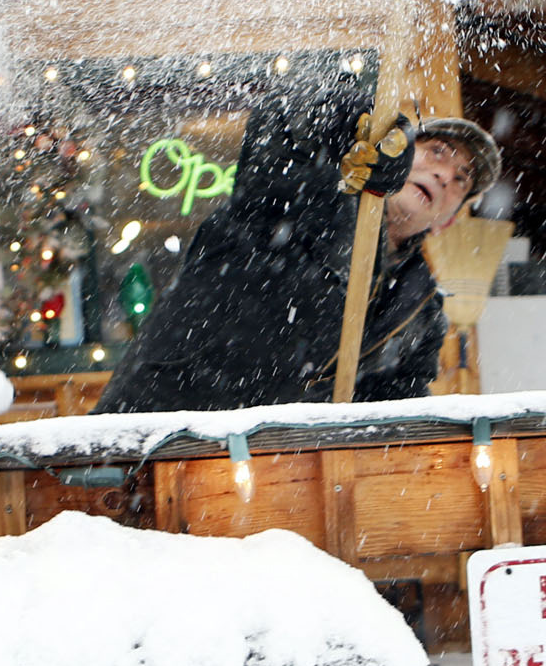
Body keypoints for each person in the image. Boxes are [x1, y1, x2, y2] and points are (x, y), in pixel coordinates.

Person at [96, 66, 501, 414]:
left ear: (448, 219)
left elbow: (397, 418)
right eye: (437, 151)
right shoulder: (298, 199)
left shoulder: (421, 312)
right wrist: (352, 120)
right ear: (399, 149)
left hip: (270, 465)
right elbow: (286, 112)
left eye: (461, 179)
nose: (444, 175)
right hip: (153, 427)